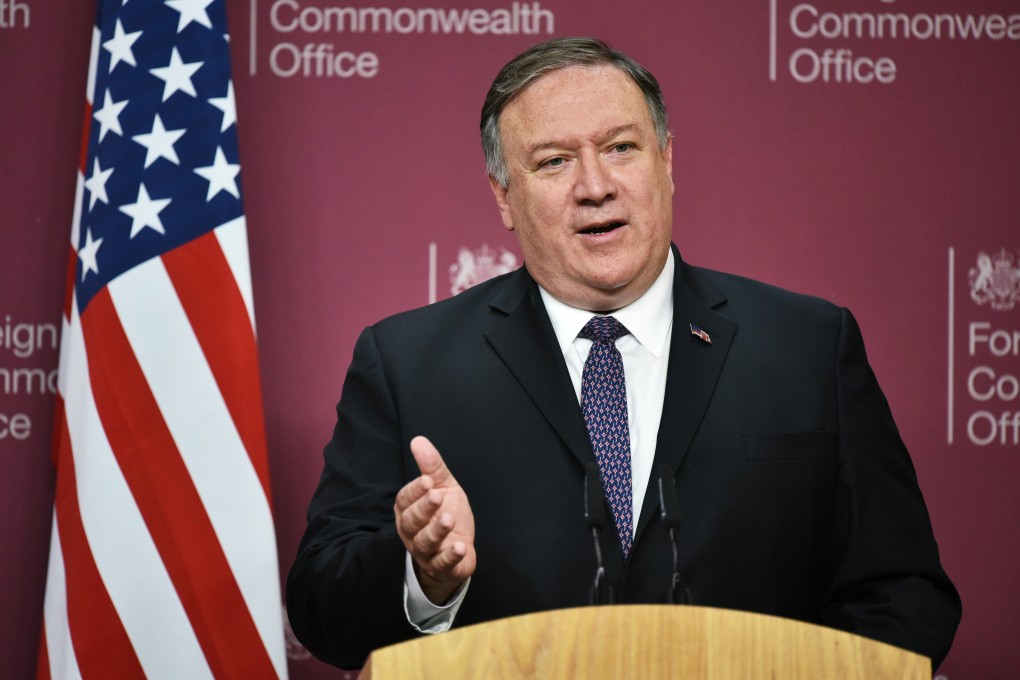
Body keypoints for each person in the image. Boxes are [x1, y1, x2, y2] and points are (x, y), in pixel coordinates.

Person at [286, 37, 961, 671]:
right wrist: (422, 574)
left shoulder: (807, 346)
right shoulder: (408, 363)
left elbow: (904, 591)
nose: (595, 185)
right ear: (504, 197)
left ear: (666, 162)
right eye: (554, 161)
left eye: (620, 148)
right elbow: (321, 608)